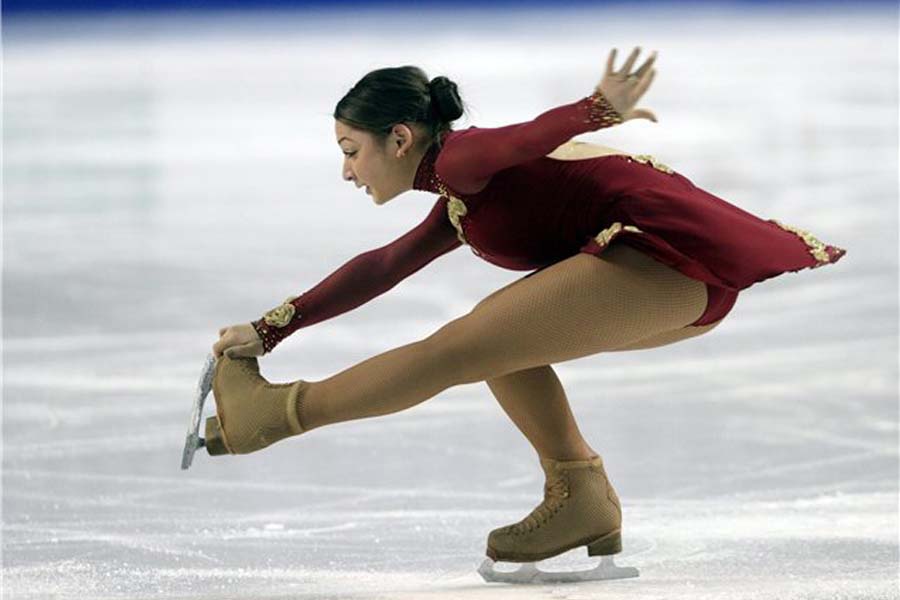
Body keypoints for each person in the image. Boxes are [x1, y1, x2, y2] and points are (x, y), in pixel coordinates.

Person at [207, 47, 846, 569]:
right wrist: (270, 328)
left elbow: (524, 138)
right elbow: (383, 265)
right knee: (498, 344)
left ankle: (278, 414)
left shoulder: (463, 158)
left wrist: (595, 109)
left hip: (668, 265)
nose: (347, 170)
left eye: (351, 150)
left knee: (458, 348)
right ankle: (580, 493)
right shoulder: (457, 195)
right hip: (666, 279)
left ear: (399, 138)